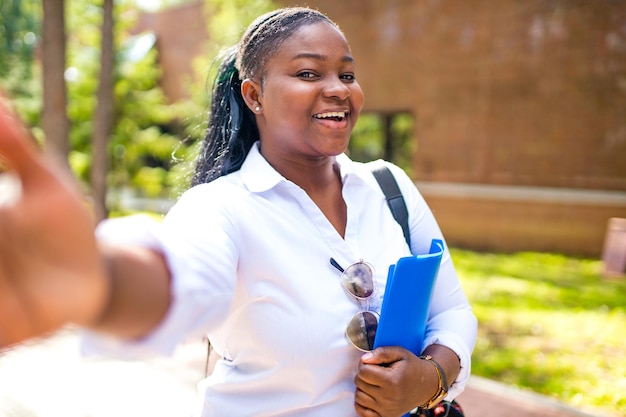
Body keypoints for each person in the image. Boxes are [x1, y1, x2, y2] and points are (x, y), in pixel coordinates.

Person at [0, 7, 477, 417]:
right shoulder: (220, 209)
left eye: (346, 74)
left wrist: (429, 377)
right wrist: (100, 283)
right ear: (254, 96)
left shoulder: (388, 186)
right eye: (309, 74)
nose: (338, 90)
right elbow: (180, 284)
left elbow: (452, 310)